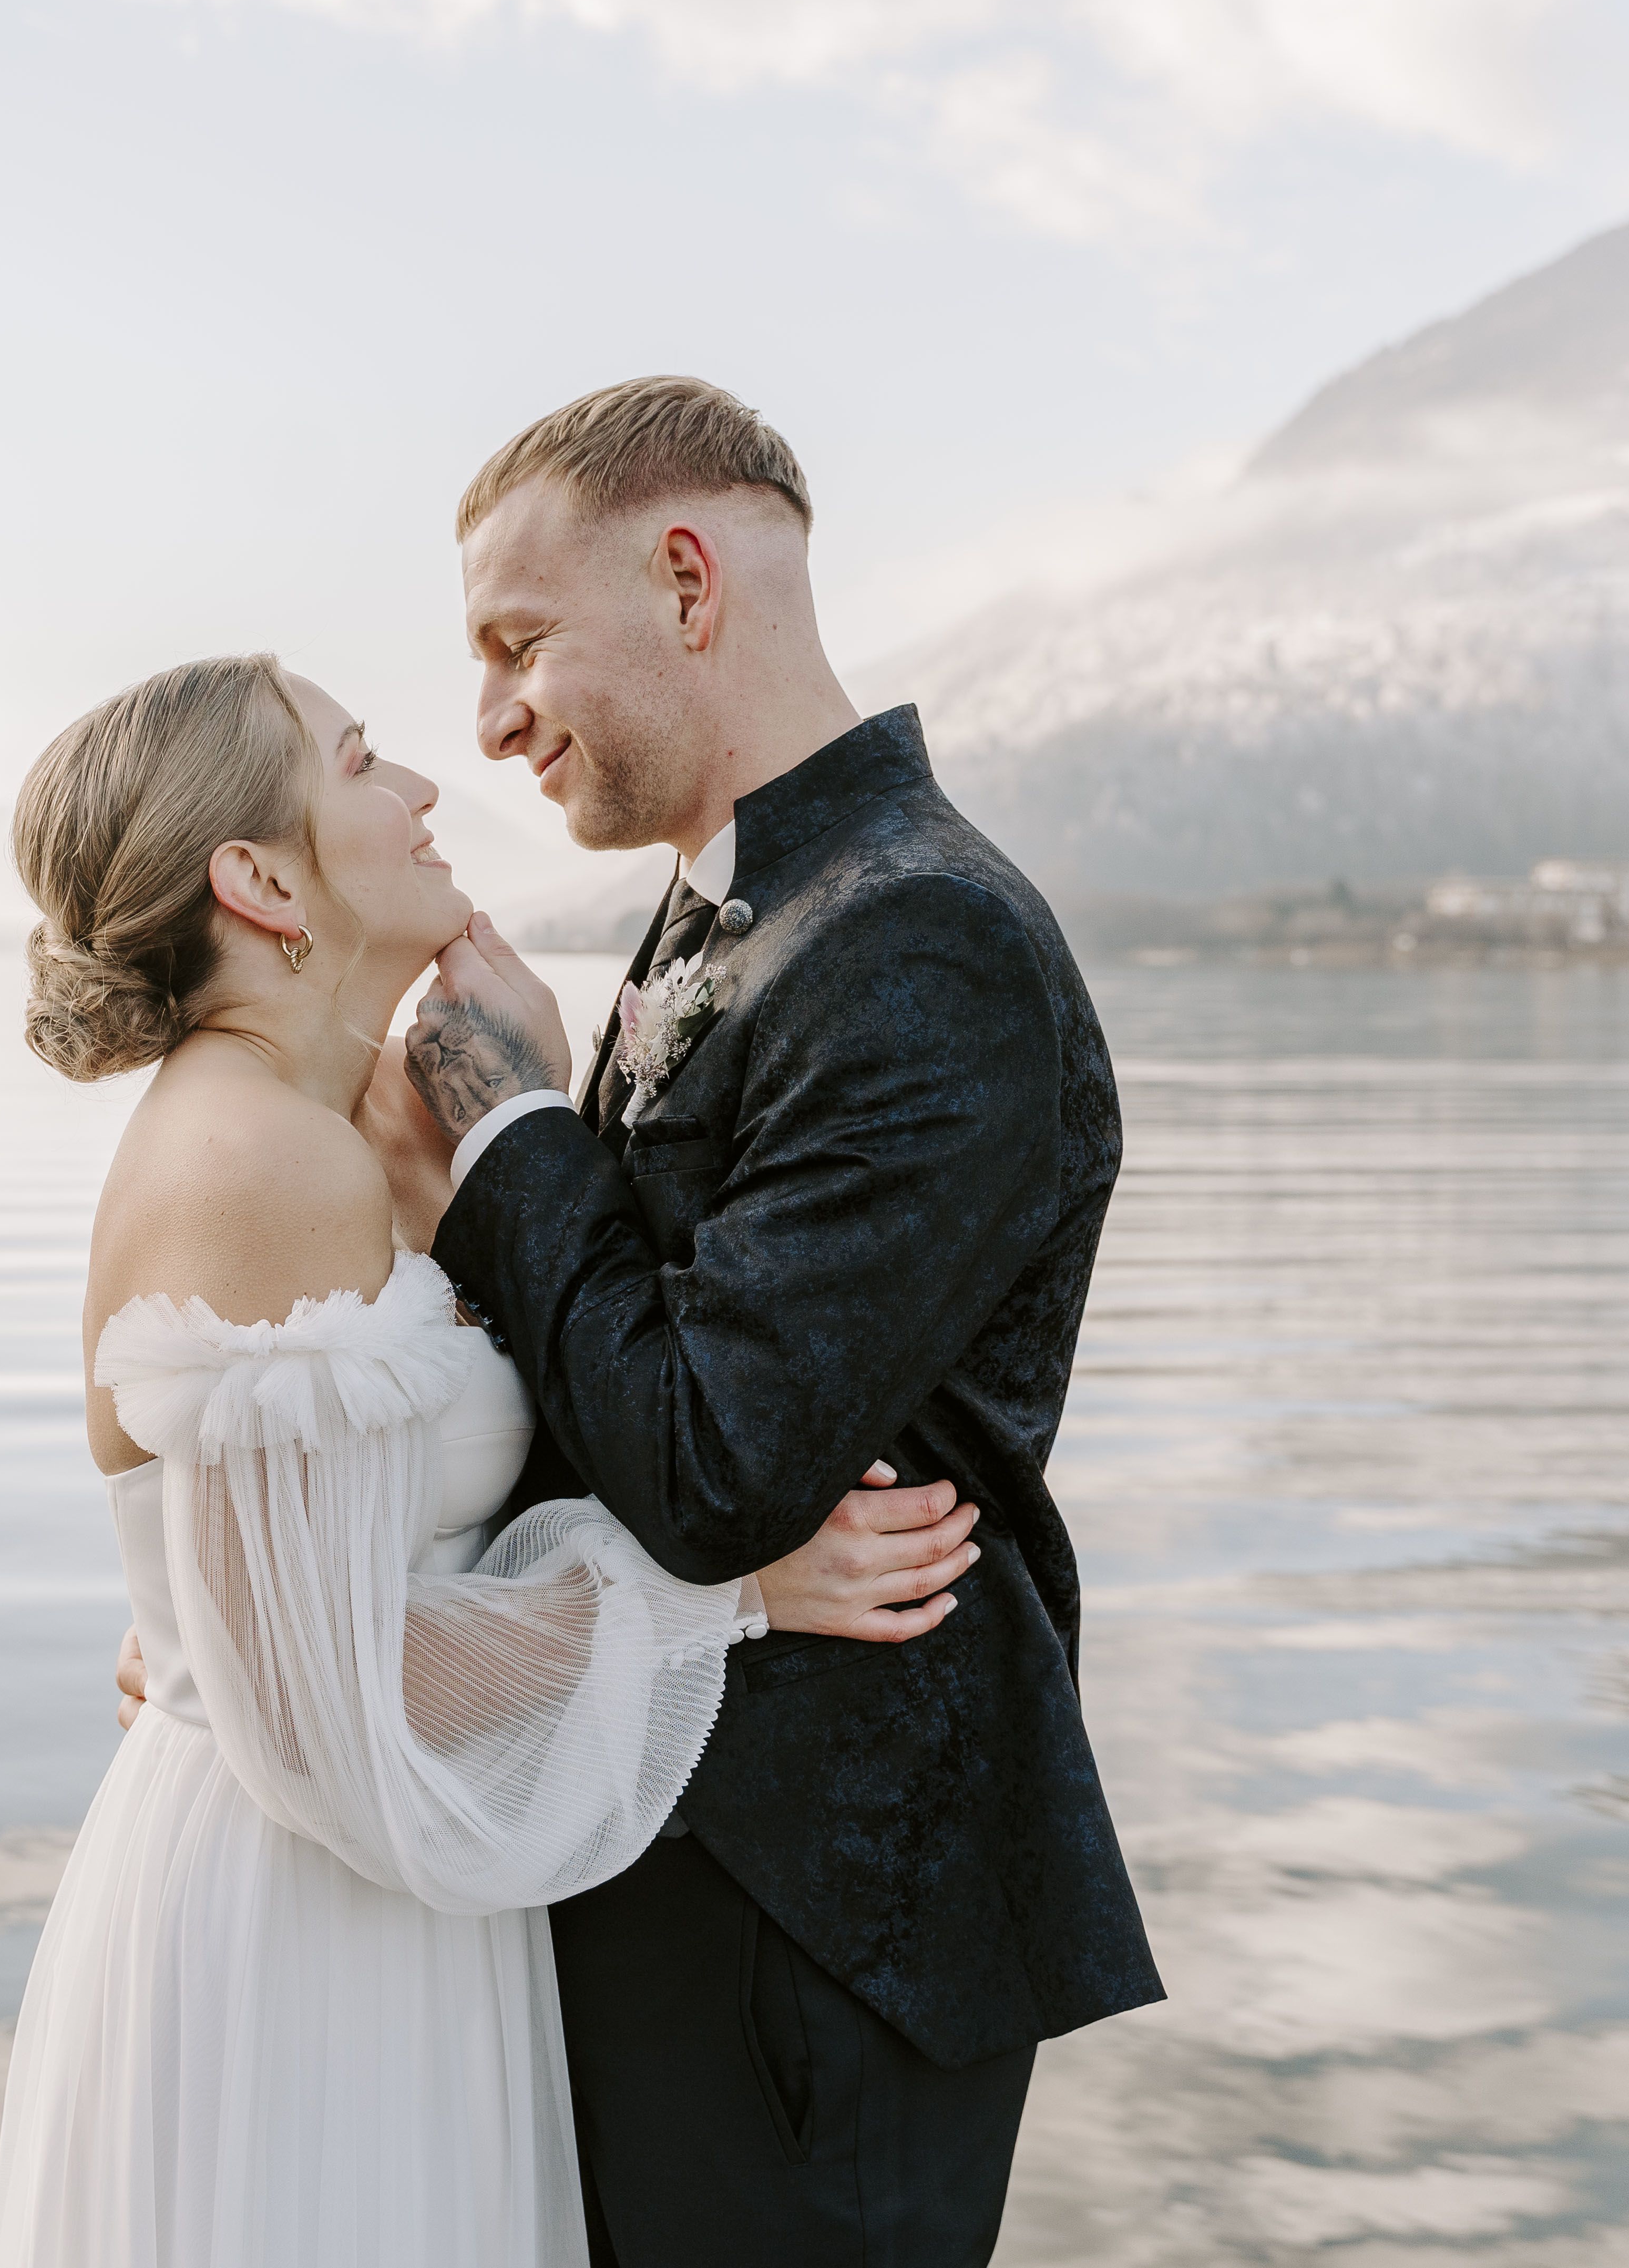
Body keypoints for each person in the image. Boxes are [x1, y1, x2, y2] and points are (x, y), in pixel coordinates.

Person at [0, 653, 990, 2268]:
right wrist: (726, 1588)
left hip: (364, 1882)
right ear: (258, 876)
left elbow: (300, 1582)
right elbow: (336, 1680)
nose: (427, 786)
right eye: (363, 759)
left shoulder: (320, 1133)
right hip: (306, 1917)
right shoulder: (264, 1158)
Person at [394, 376, 1165, 2264]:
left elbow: (717, 1463)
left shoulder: (924, 939)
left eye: (516, 643)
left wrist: (507, 1127)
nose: (490, 721)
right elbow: (609, 1381)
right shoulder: (729, 910)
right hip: (674, 1855)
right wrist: (286, 1632)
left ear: (683, 577)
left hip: (819, 1925)